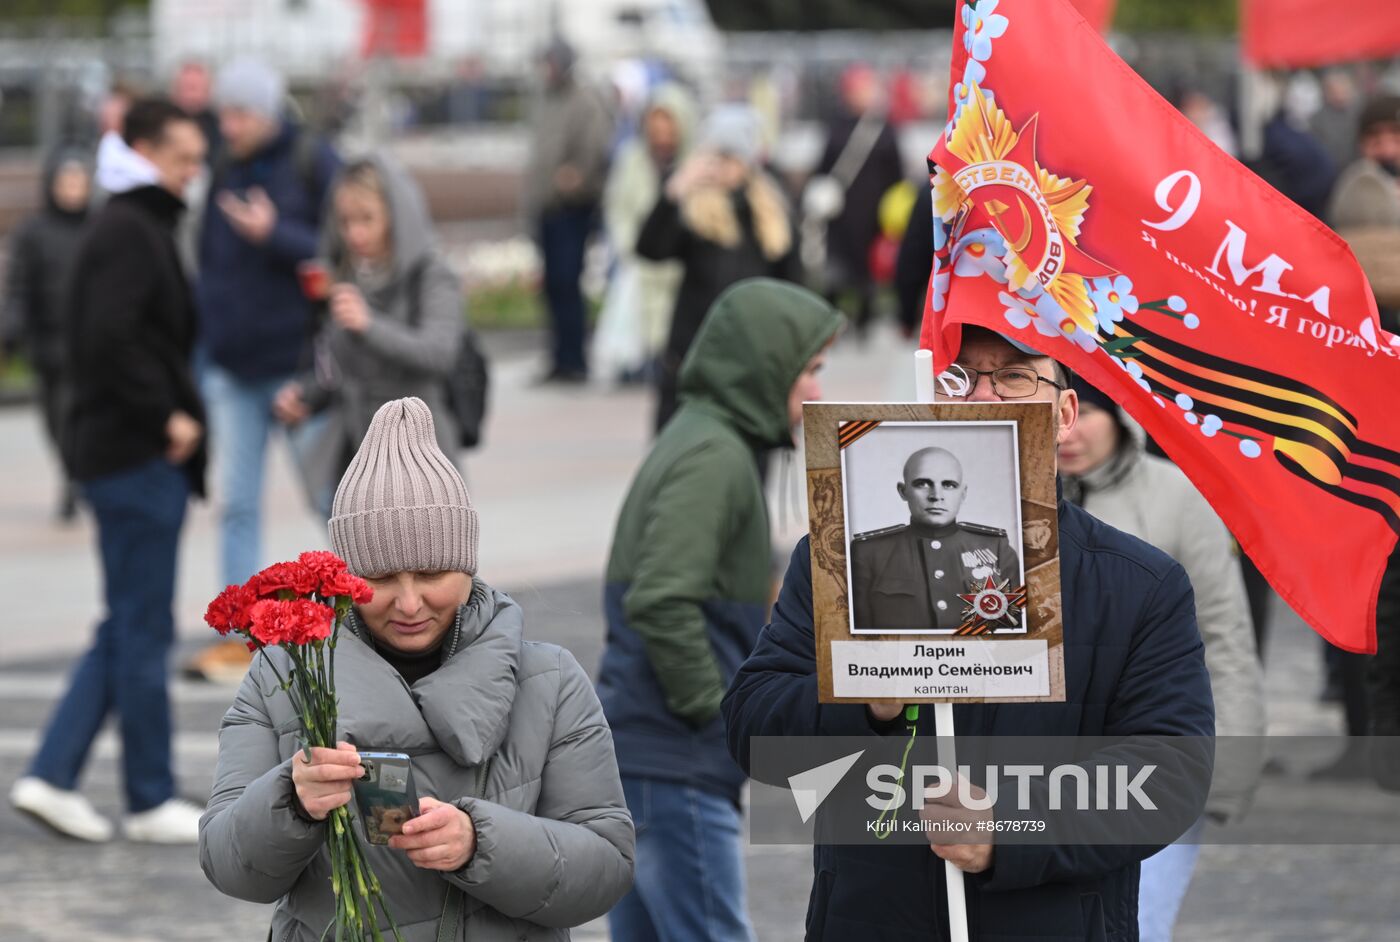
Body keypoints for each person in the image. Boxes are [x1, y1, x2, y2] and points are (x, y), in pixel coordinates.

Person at [723, 325, 1215, 939]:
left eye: (1014, 376)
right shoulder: (839, 562)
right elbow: (754, 732)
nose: (983, 397)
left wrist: (1009, 829)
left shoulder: (1141, 584)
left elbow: (1168, 776)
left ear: (1064, 413)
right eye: (959, 377)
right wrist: (867, 701)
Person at [199, 397, 634, 940]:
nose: (408, 603)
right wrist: (291, 799)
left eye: (431, 573)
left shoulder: (549, 681)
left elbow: (607, 862)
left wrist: (480, 842)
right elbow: (226, 861)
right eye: (379, 579)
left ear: (467, 565)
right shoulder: (283, 680)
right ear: (344, 578)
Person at [598, 279, 843, 942]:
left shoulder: (709, 438)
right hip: (673, 760)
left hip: (647, 754)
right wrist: (721, 713)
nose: (818, 390)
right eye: (810, 370)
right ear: (765, 366)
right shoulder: (717, 457)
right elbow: (662, 597)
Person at [9, 99, 209, 844]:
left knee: (126, 624)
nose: (195, 172)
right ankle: (149, 795)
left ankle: (54, 774)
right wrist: (169, 415)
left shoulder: (132, 222)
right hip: (134, 458)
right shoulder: (131, 227)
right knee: (141, 626)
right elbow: (107, 338)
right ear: (149, 151)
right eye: (184, 157)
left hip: (125, 458)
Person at [1058, 377, 1266, 942]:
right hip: (1049, 765)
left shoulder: (1179, 494)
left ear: (1123, 416)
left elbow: (1223, 630)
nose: (1070, 431)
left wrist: (1230, 759)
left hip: (1156, 759)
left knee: (1140, 924)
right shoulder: (1012, 499)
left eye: (1089, 412)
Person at [186, 58, 340, 683]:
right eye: (224, 112)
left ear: (269, 110)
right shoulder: (224, 164)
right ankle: (241, 634)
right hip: (232, 366)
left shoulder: (311, 160)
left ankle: (367, 610)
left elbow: (337, 247)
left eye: (240, 112)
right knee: (238, 505)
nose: (229, 124)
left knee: (330, 497)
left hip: (294, 370)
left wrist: (276, 232)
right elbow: (207, 257)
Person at [272, 155, 464, 516]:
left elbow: (439, 353)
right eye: (345, 221)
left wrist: (369, 324)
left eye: (367, 219)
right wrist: (307, 394)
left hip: (419, 451)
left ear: (396, 216)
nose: (355, 233)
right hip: (357, 452)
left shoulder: (430, 273)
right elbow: (339, 367)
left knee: (428, 563)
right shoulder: (346, 276)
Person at [638, 105, 801, 431]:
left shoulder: (770, 212)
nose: (722, 167)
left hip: (754, 363)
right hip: (693, 358)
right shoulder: (694, 211)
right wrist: (675, 189)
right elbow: (649, 249)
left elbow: (794, 287)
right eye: (715, 157)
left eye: (731, 157)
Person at [3, 149, 92, 522]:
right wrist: (11, 329)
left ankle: (75, 480)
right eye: (65, 182)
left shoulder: (99, 228)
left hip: (89, 346)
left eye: (78, 182)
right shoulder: (34, 232)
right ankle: (72, 471)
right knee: (55, 421)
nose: (72, 190)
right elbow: (20, 287)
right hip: (48, 345)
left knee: (75, 417)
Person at [849, 446, 1021, 633]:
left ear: (962, 493)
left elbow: (1021, 631)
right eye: (922, 483)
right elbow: (857, 641)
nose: (936, 496)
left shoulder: (996, 548)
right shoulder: (867, 553)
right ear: (903, 491)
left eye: (948, 485)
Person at [523, 38, 614, 385]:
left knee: (567, 281)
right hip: (546, 208)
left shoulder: (584, 99)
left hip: (570, 209)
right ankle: (559, 357)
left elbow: (593, 148)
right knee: (553, 286)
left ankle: (575, 360)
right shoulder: (547, 99)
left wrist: (575, 177)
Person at [595, 83, 696, 384]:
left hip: (679, 265)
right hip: (641, 258)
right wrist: (628, 246)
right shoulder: (633, 160)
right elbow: (618, 207)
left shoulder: (692, 163)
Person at [812, 64, 906, 333]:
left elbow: (896, 174)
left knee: (868, 268)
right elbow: (824, 165)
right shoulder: (835, 125)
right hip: (840, 212)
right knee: (837, 268)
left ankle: (865, 319)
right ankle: (831, 320)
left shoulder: (884, 128)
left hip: (874, 213)